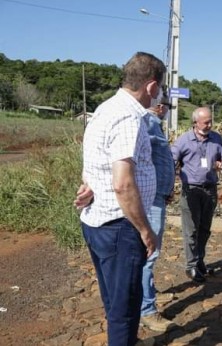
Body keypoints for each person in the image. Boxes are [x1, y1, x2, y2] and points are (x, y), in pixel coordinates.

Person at [74, 52, 165, 346]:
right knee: (125, 308)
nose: (160, 94)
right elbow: (123, 184)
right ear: (151, 86)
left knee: (114, 299)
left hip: (97, 220)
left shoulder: (105, 108)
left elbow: (97, 162)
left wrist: (90, 185)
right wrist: (145, 230)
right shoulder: (128, 117)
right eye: (160, 88)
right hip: (119, 227)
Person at [171, 107, 222, 283]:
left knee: (205, 229)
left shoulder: (217, 138)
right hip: (191, 190)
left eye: (211, 121)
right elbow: (171, 160)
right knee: (191, 230)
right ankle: (190, 266)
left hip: (210, 189)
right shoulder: (184, 140)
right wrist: (174, 176)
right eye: (206, 122)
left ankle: (200, 261)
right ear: (195, 122)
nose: (210, 125)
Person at [138, 96, 178, 332]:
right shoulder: (149, 122)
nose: (166, 111)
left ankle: (148, 294)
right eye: (167, 107)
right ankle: (147, 310)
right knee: (149, 254)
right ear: (160, 106)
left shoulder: (153, 124)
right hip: (151, 199)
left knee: (149, 254)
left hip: (157, 195)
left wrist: (166, 188)